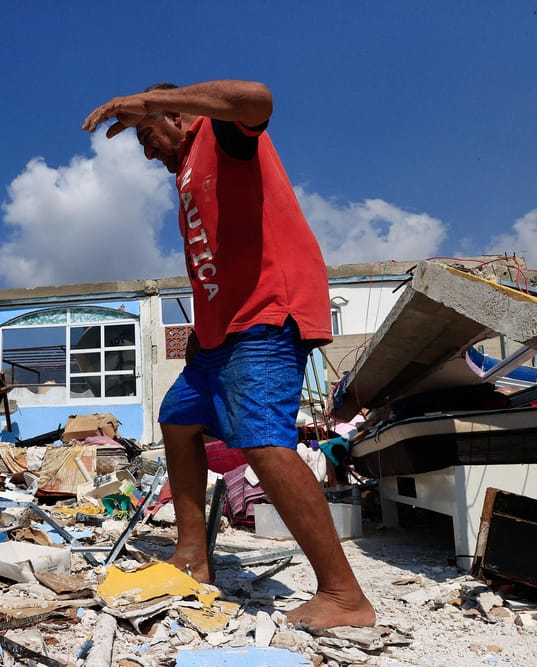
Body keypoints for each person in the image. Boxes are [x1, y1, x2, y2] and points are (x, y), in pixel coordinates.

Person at [83, 80, 376, 629]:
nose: (147, 150)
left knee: (264, 441)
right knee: (178, 417)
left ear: (175, 114)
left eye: (149, 134)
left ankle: (345, 596)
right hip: (221, 333)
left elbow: (259, 98)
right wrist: (204, 323)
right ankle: (193, 556)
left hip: (267, 317)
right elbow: (217, 260)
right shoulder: (190, 173)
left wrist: (146, 104)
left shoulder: (222, 134)